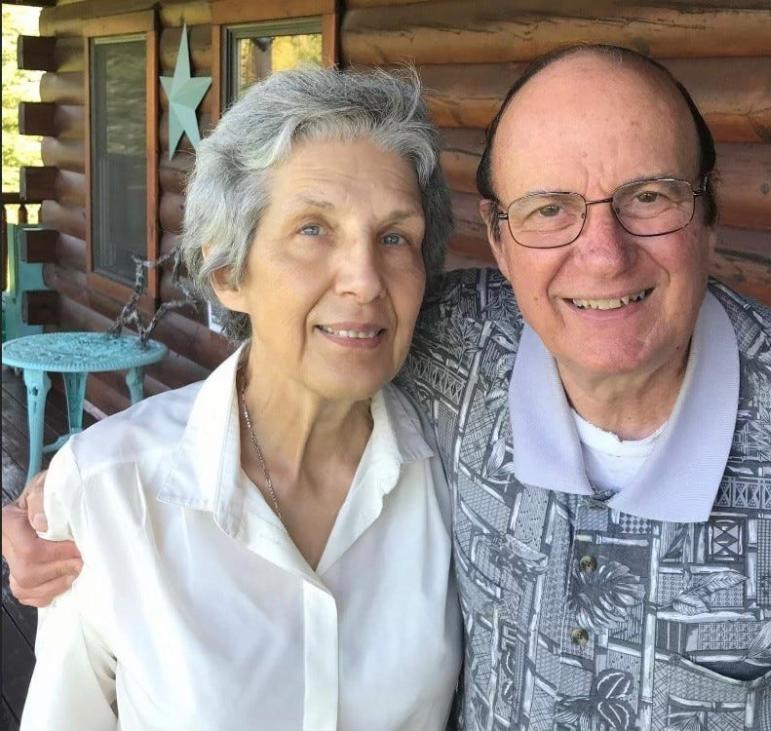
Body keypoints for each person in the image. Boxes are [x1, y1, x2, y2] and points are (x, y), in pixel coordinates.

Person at [6, 45, 771, 731]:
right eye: (549, 208)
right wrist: (67, 492)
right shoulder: (117, 492)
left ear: (708, 213)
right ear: (500, 245)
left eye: (650, 195)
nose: (601, 249)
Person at [10, 66, 461, 730]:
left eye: (396, 237)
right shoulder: (113, 491)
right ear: (228, 275)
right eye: (314, 229)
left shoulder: (454, 477)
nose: (366, 279)